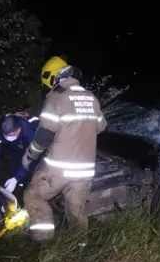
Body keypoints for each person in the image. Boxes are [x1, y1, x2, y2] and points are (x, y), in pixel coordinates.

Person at [21, 65, 106, 242]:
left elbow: (44, 135)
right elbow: (101, 126)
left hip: (59, 168)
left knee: (33, 195)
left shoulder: (56, 97)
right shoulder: (91, 98)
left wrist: (30, 155)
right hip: (85, 170)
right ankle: (80, 249)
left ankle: (42, 242)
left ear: (55, 78)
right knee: (77, 211)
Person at [0, 113, 40, 193]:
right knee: (15, 166)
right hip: (15, 149)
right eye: (7, 135)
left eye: (13, 135)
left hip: (31, 148)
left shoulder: (30, 131)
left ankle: (29, 187)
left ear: (19, 129)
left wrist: (16, 178)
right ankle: (19, 188)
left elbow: (33, 156)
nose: (10, 137)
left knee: (31, 169)